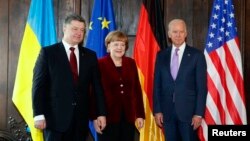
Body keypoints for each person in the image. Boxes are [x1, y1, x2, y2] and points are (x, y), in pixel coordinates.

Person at [32, 13, 106, 141]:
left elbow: (97, 88)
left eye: (82, 30)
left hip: (80, 121)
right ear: (64, 28)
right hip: (55, 120)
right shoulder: (48, 53)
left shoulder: (90, 56)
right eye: (75, 29)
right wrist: (38, 114)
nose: (79, 33)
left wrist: (100, 113)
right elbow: (38, 86)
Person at [153, 19, 207, 141]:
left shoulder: (196, 55)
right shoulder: (161, 55)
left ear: (186, 33)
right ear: (169, 34)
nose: (178, 35)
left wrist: (198, 114)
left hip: (188, 114)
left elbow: (201, 88)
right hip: (167, 113)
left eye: (181, 32)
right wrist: (157, 110)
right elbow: (157, 85)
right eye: (175, 32)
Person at [94, 30, 145, 141]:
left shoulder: (131, 63)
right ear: (108, 46)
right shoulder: (99, 64)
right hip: (106, 118)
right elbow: (94, 92)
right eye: (116, 44)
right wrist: (95, 116)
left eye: (122, 44)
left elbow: (136, 90)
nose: (119, 47)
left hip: (128, 118)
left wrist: (140, 114)